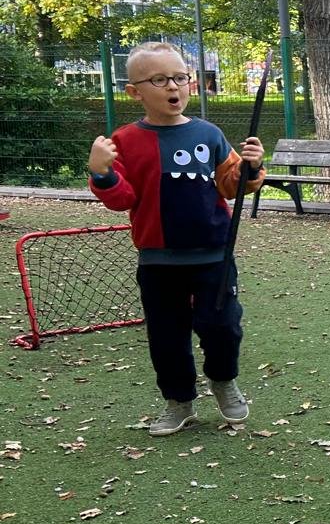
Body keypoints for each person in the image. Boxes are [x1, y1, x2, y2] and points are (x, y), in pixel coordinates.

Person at [87, 42, 264, 435]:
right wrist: (102, 173)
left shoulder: (209, 133)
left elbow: (232, 185)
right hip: (158, 261)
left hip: (214, 256)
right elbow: (122, 199)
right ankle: (179, 400)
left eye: (180, 77)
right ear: (134, 92)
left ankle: (223, 381)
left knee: (223, 326)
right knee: (166, 336)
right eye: (159, 79)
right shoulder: (126, 140)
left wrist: (251, 167)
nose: (173, 86)